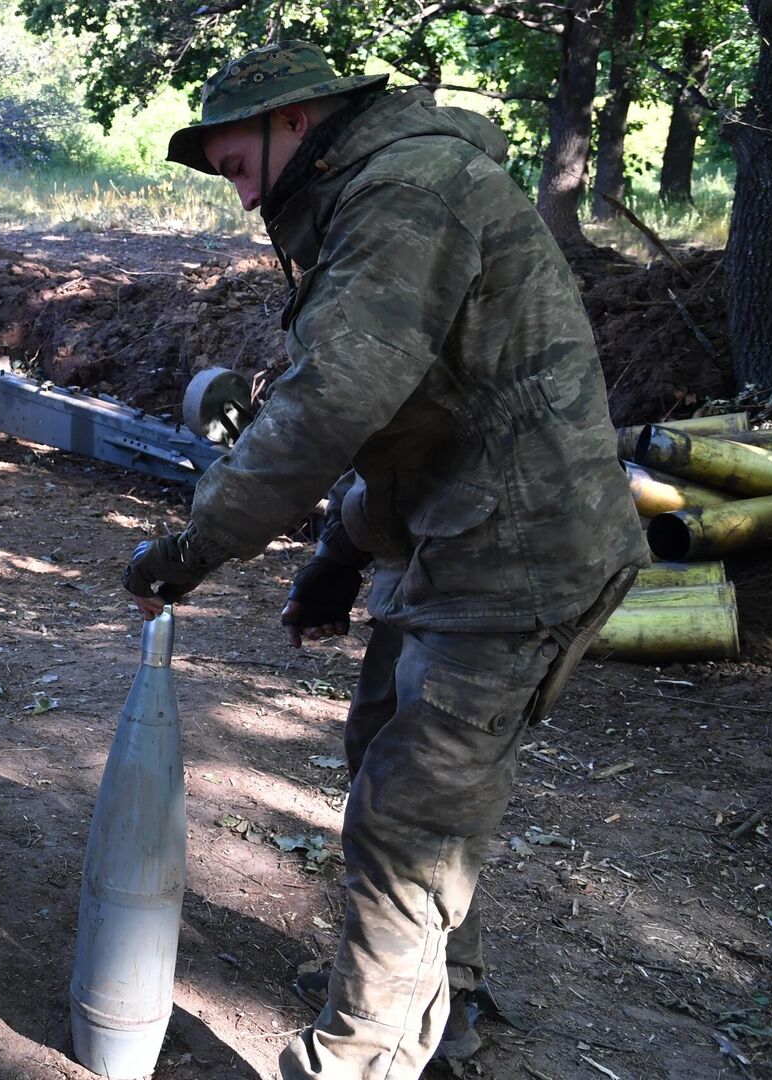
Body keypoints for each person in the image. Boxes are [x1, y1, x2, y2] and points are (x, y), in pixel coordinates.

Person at [127, 41, 646, 1078]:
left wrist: (198, 543)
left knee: (411, 817)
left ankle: (361, 1061)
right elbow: (424, 419)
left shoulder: (407, 192)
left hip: (520, 554)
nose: (236, 202)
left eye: (234, 168)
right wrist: (335, 551)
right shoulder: (382, 187)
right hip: (463, 535)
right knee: (392, 772)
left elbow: (330, 401)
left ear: (295, 121)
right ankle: (443, 1014)